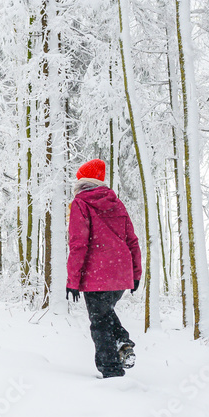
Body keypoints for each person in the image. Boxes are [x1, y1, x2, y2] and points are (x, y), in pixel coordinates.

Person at [65, 159, 142, 378]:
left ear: (81, 181)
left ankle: (111, 372)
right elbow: (132, 241)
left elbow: (78, 244)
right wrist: (135, 273)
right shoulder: (116, 203)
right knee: (104, 314)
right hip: (120, 273)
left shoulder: (80, 204)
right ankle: (122, 341)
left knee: (99, 323)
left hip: (96, 275)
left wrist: (72, 280)